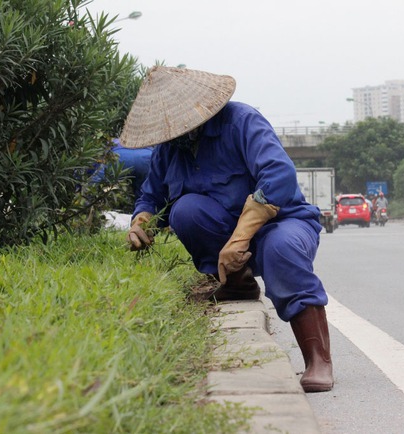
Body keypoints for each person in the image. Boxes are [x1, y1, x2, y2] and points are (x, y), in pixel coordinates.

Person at [120, 66, 333, 393]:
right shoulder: (170, 149)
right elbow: (152, 194)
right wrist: (141, 221)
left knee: (282, 249)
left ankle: (318, 359)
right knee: (186, 211)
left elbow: (279, 177)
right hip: (223, 231)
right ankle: (237, 284)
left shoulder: (243, 121)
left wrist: (240, 237)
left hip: (282, 222)